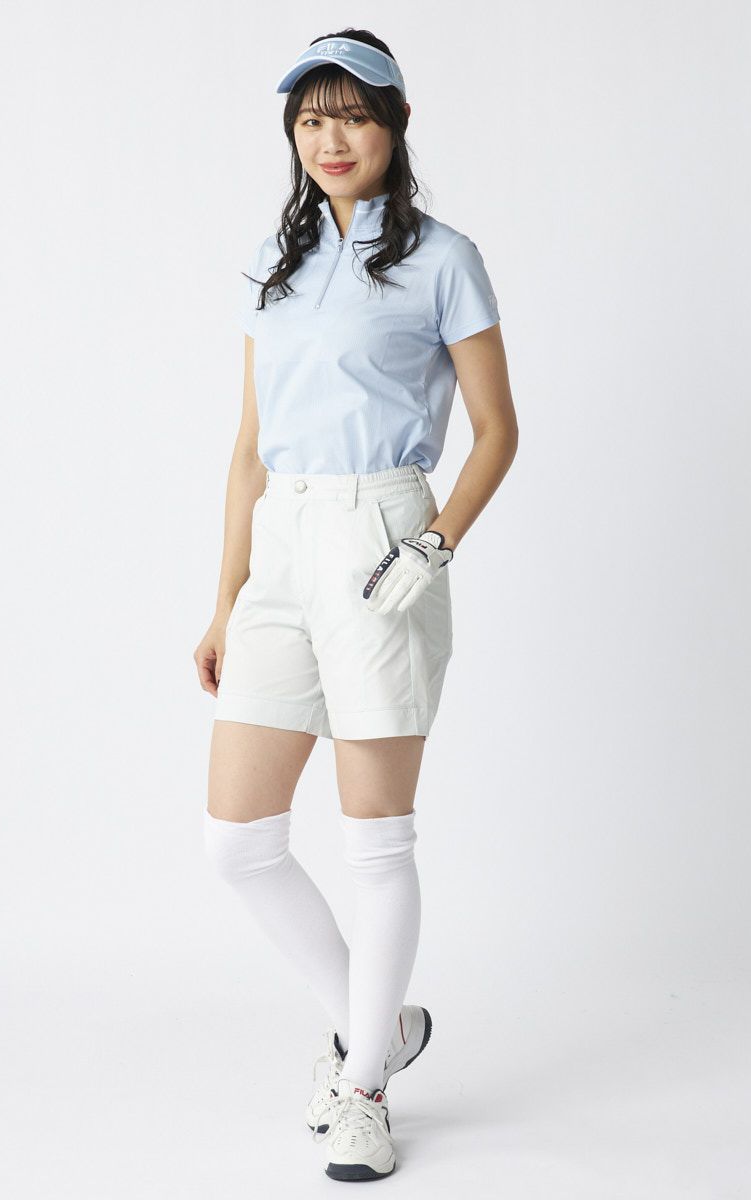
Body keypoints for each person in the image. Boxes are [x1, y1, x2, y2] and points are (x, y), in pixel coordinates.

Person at [194, 28, 518, 1181]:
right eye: (310, 118)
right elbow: (248, 450)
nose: (330, 138)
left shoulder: (442, 258)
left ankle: (365, 1086)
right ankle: (378, 1026)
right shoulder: (270, 266)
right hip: (282, 542)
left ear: (396, 123)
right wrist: (226, 601)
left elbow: (497, 431)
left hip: (383, 531)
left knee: (375, 837)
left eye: (354, 115)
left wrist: (431, 545)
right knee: (238, 840)